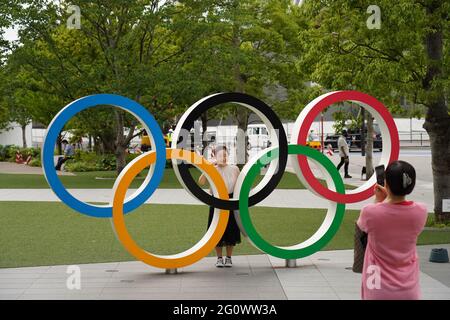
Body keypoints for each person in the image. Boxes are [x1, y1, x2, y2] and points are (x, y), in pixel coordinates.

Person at [357, 160, 427, 300]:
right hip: (408, 287)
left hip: (376, 285)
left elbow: (362, 226)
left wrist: (379, 201)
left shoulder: (370, 212)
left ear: (386, 184)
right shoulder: (420, 211)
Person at [198, 145, 241, 268]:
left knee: (231, 229)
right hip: (217, 201)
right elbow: (201, 182)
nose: (224, 157)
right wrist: (208, 168)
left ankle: (228, 258)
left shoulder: (234, 169)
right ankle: (219, 258)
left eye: (225, 155)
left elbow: (241, 184)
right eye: (221, 155)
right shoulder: (213, 169)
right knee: (216, 230)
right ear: (215, 156)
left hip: (231, 200)